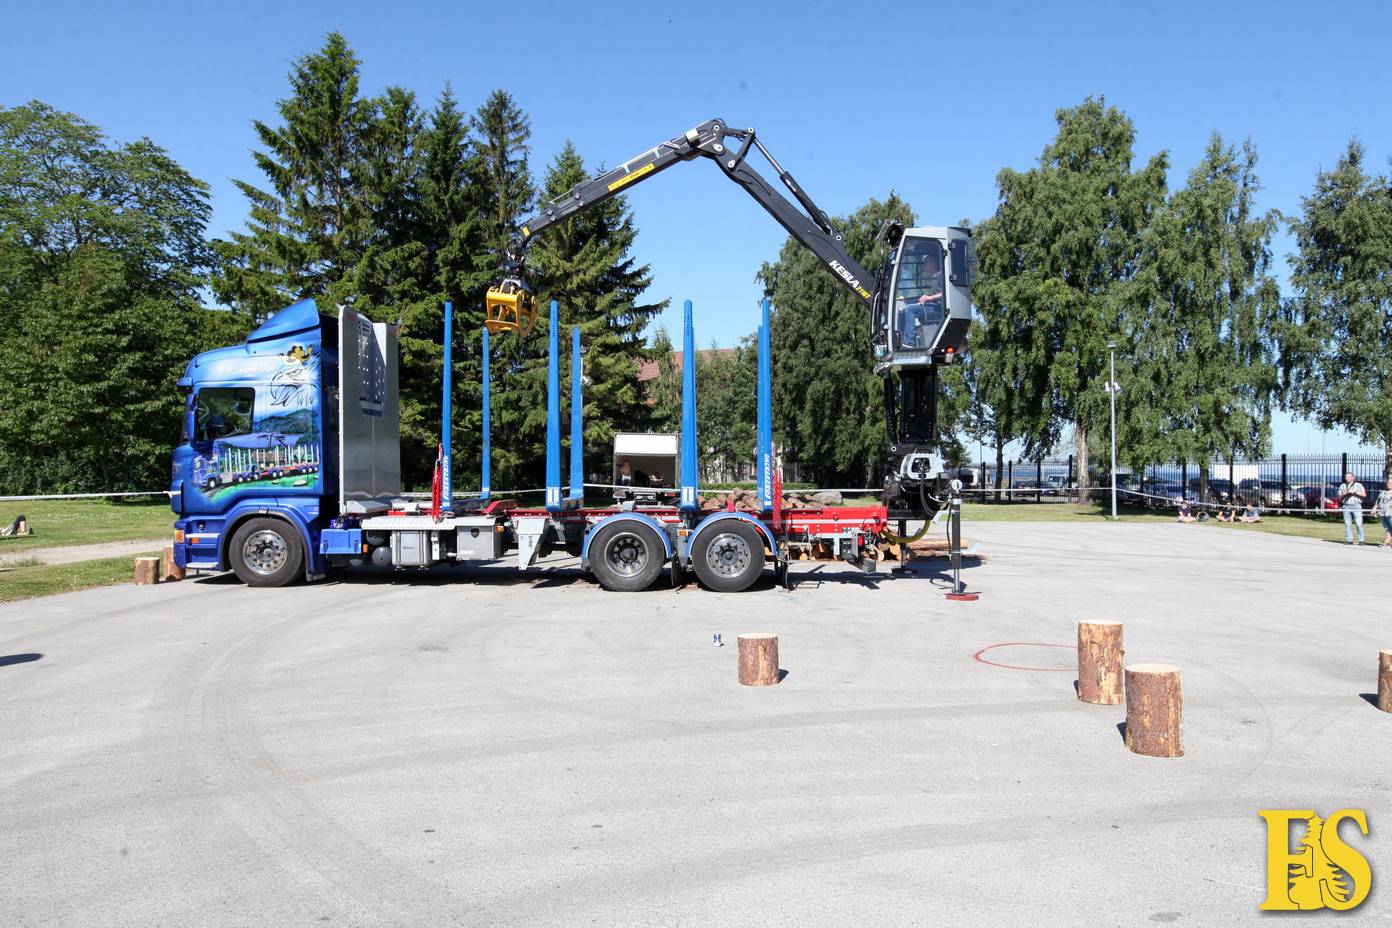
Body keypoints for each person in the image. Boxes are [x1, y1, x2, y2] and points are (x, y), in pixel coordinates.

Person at [1337, 471, 1367, 545]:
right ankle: (1349, 540)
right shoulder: (1342, 486)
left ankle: (1361, 540)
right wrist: (1345, 493)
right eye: (1346, 477)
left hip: (1356, 505)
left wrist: (1355, 492)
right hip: (1346, 506)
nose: (1346, 478)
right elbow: (1339, 496)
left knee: (1359, 523)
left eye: (1348, 477)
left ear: (1353, 478)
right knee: (1348, 524)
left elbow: (1364, 494)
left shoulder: (1358, 485)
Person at [1377, 478, 1392, 548]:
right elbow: (1378, 501)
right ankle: (1386, 543)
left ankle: (1386, 542)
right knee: (1387, 528)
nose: (1389, 484)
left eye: (1391, 483)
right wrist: (1374, 508)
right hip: (1382, 512)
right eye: (1388, 483)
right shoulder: (1383, 492)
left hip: (1390, 513)